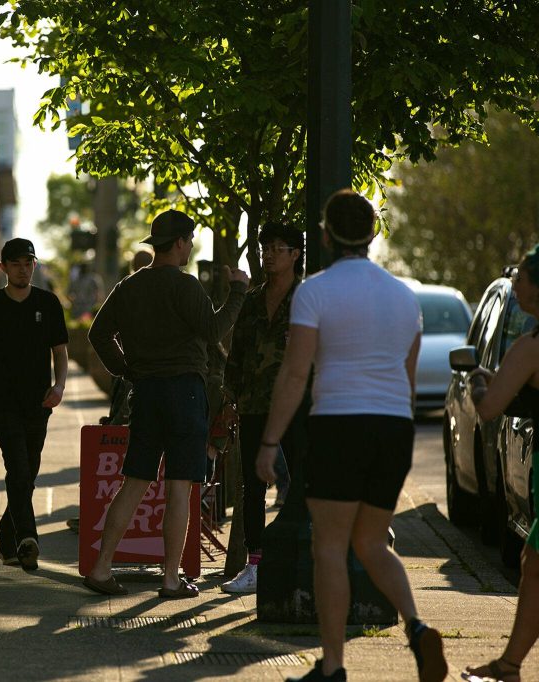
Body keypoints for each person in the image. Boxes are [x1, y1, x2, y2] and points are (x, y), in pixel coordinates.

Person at [255, 189, 446, 682]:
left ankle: (334, 666)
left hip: (339, 425)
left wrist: (270, 442)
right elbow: (406, 379)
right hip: (393, 430)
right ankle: (418, 627)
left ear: (325, 234)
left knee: (329, 548)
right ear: (372, 235)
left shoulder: (314, 291)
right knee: (372, 543)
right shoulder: (405, 297)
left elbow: (296, 374)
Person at [83, 209, 248, 598]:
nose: (190, 246)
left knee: (134, 481)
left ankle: (102, 567)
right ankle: (171, 579)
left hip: (147, 393)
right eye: (189, 240)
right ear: (179, 243)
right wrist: (238, 291)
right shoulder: (185, 286)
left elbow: (98, 334)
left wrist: (127, 370)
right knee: (179, 488)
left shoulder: (129, 286)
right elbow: (214, 331)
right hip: (185, 394)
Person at [461, 247, 539, 682]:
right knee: (533, 560)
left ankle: (509, 666)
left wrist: (476, 382)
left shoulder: (530, 346)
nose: (514, 285)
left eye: (522, 279)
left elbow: (489, 409)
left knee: (535, 562)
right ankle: (509, 665)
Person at [0, 238, 69, 572]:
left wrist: (59, 386)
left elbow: (60, 351)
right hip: (1, 401)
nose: (23, 269)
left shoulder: (48, 303)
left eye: (28, 263)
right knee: (18, 466)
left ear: (34, 265)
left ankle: (5, 541)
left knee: (28, 472)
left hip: (39, 402)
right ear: (3, 268)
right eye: (16, 264)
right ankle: (28, 538)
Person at [220, 221, 306, 594]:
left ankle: (301, 556)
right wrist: (229, 401)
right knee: (252, 487)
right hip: (254, 406)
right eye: (264, 247)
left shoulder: (307, 299)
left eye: (277, 248)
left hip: (297, 409)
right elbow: (236, 356)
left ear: (295, 254)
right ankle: (255, 564)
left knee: (303, 482)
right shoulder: (253, 300)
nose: (268, 254)